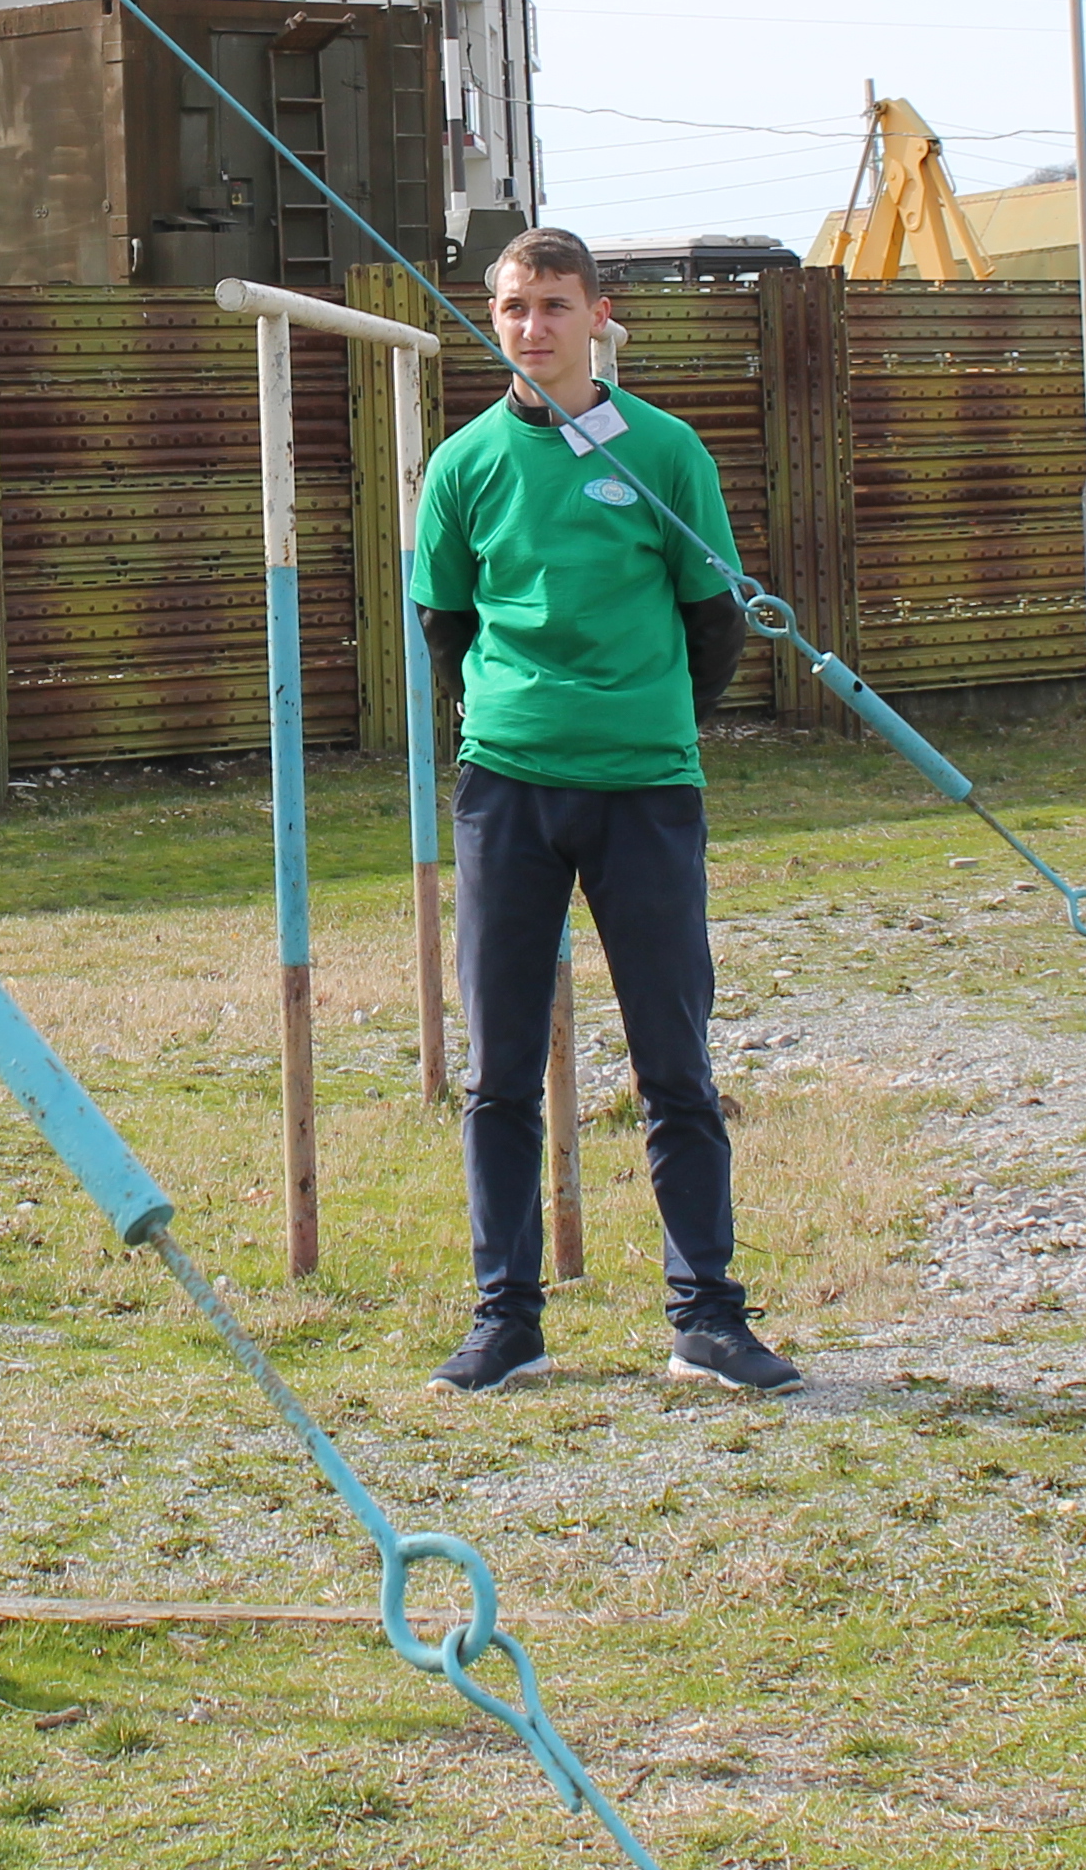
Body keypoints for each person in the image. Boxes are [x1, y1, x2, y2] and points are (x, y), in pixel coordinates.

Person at [408, 226, 793, 1398]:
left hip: (646, 792)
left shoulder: (669, 453)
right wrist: (514, 723)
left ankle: (707, 1317)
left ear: (599, 316)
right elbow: (446, 623)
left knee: (674, 1057)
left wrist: (645, 717)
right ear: (495, 314)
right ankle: (505, 1317)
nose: (534, 328)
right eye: (515, 306)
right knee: (501, 1069)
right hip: (510, 792)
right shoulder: (463, 462)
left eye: (556, 306)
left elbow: (712, 617)